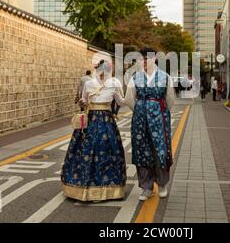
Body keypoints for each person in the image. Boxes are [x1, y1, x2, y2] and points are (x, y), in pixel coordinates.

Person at [61, 60, 126, 202]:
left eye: (107, 70)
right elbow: (83, 100)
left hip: (107, 120)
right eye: (101, 69)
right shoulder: (89, 84)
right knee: (85, 149)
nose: (104, 73)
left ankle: (107, 187)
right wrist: (83, 103)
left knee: (106, 149)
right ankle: (82, 187)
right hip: (90, 120)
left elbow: (121, 101)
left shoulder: (115, 83)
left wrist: (134, 95)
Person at [125, 47, 175, 201]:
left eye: (147, 58)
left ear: (154, 59)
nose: (143, 62)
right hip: (140, 120)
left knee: (160, 150)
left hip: (160, 119)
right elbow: (129, 99)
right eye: (141, 59)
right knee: (142, 151)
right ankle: (146, 187)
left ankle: (161, 184)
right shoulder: (136, 77)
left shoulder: (165, 77)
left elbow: (170, 99)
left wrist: (157, 111)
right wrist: (141, 109)